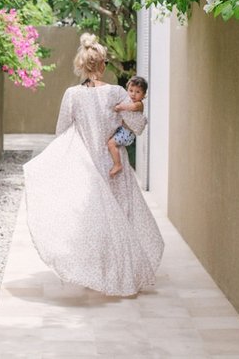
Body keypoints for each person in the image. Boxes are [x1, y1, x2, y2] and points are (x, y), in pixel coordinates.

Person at [23, 33, 164, 296]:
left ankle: (97, 272)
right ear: (102, 65)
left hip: (86, 166)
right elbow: (137, 127)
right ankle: (121, 271)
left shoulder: (72, 95)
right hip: (114, 165)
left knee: (93, 219)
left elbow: (62, 130)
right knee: (120, 217)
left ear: (81, 66)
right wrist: (134, 111)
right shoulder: (117, 92)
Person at [108, 76, 148, 178]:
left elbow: (133, 107)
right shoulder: (128, 101)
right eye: (131, 90)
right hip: (123, 131)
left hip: (127, 134)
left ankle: (117, 165)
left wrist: (120, 107)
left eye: (138, 92)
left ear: (143, 95)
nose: (133, 94)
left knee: (111, 144)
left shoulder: (139, 104)